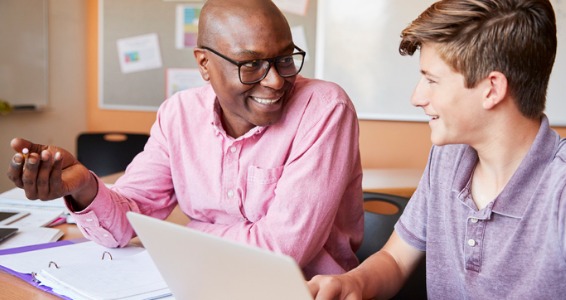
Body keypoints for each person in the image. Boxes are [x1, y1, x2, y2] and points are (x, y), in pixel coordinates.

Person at [6, 0, 364, 279]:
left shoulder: (324, 107)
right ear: (204, 64)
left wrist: (186, 229)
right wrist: (84, 186)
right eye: (251, 64)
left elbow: (281, 252)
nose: (274, 81)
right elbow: (127, 222)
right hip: (196, 282)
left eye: (284, 58)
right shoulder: (178, 114)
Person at [308, 0, 566, 299]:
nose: (417, 97)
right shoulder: (448, 158)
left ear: (492, 89)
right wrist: (352, 283)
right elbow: (395, 261)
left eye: (432, 80)